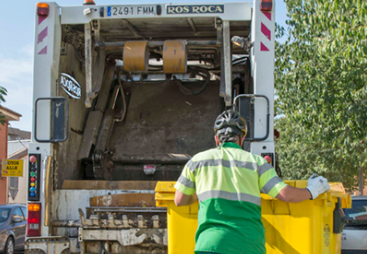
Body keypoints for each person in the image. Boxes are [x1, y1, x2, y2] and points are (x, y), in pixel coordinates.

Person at [174, 110, 330, 254]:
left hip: (210, 246)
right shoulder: (257, 163)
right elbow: (286, 195)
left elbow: (179, 200)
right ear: (241, 138)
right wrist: (313, 190)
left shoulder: (197, 161)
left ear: (216, 138)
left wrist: (200, 193)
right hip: (248, 245)